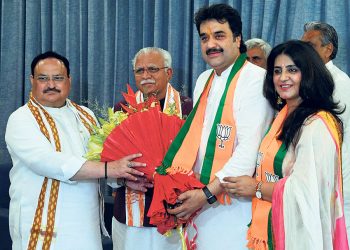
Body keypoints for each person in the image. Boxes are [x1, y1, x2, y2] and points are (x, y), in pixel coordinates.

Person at [5, 51, 146, 250]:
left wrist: (124, 177)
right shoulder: (21, 119)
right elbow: (49, 162)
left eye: (58, 78)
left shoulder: (85, 115)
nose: (51, 84)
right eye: (43, 78)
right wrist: (111, 169)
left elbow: (103, 157)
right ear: (32, 80)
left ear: (69, 81)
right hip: (43, 225)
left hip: (85, 224)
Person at [165, 4, 273, 249]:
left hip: (233, 204)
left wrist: (207, 194)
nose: (211, 44)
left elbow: (249, 149)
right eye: (204, 38)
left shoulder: (256, 79)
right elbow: (196, 139)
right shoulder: (205, 78)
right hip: (199, 197)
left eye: (219, 35)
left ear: (237, 39)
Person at [222, 40, 349, 249]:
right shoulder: (282, 116)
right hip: (271, 227)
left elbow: (305, 191)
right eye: (277, 71)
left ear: (309, 74)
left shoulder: (316, 124)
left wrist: (256, 188)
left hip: (299, 234)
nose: (282, 78)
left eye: (292, 70)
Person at [112, 47, 193, 250]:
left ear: (169, 73)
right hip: (130, 215)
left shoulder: (189, 109)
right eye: (140, 71)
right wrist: (122, 178)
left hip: (175, 211)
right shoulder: (121, 109)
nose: (146, 76)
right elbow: (108, 163)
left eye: (153, 69)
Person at [302, 21, 350, 239]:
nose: (304, 53)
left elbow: (339, 138)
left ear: (328, 50)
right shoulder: (308, 80)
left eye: (310, 46)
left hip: (337, 179)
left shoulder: (339, 83)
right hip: (313, 178)